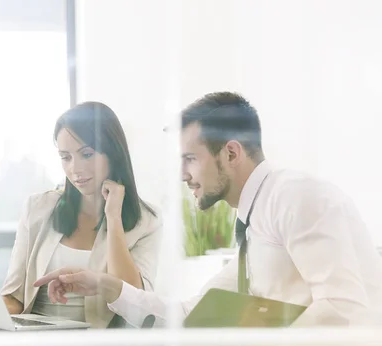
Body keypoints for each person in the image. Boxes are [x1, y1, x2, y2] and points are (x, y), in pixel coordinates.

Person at [34, 91, 382, 328]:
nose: (182, 174)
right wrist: (106, 286)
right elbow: (189, 314)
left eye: (190, 159)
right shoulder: (256, 224)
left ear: (231, 154)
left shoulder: (297, 197)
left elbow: (342, 310)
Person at [0, 101, 162, 329]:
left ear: (114, 153)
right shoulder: (38, 208)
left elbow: (135, 303)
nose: (75, 169)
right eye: (65, 157)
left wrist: (114, 218)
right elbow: (14, 297)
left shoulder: (147, 222)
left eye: (87, 154)